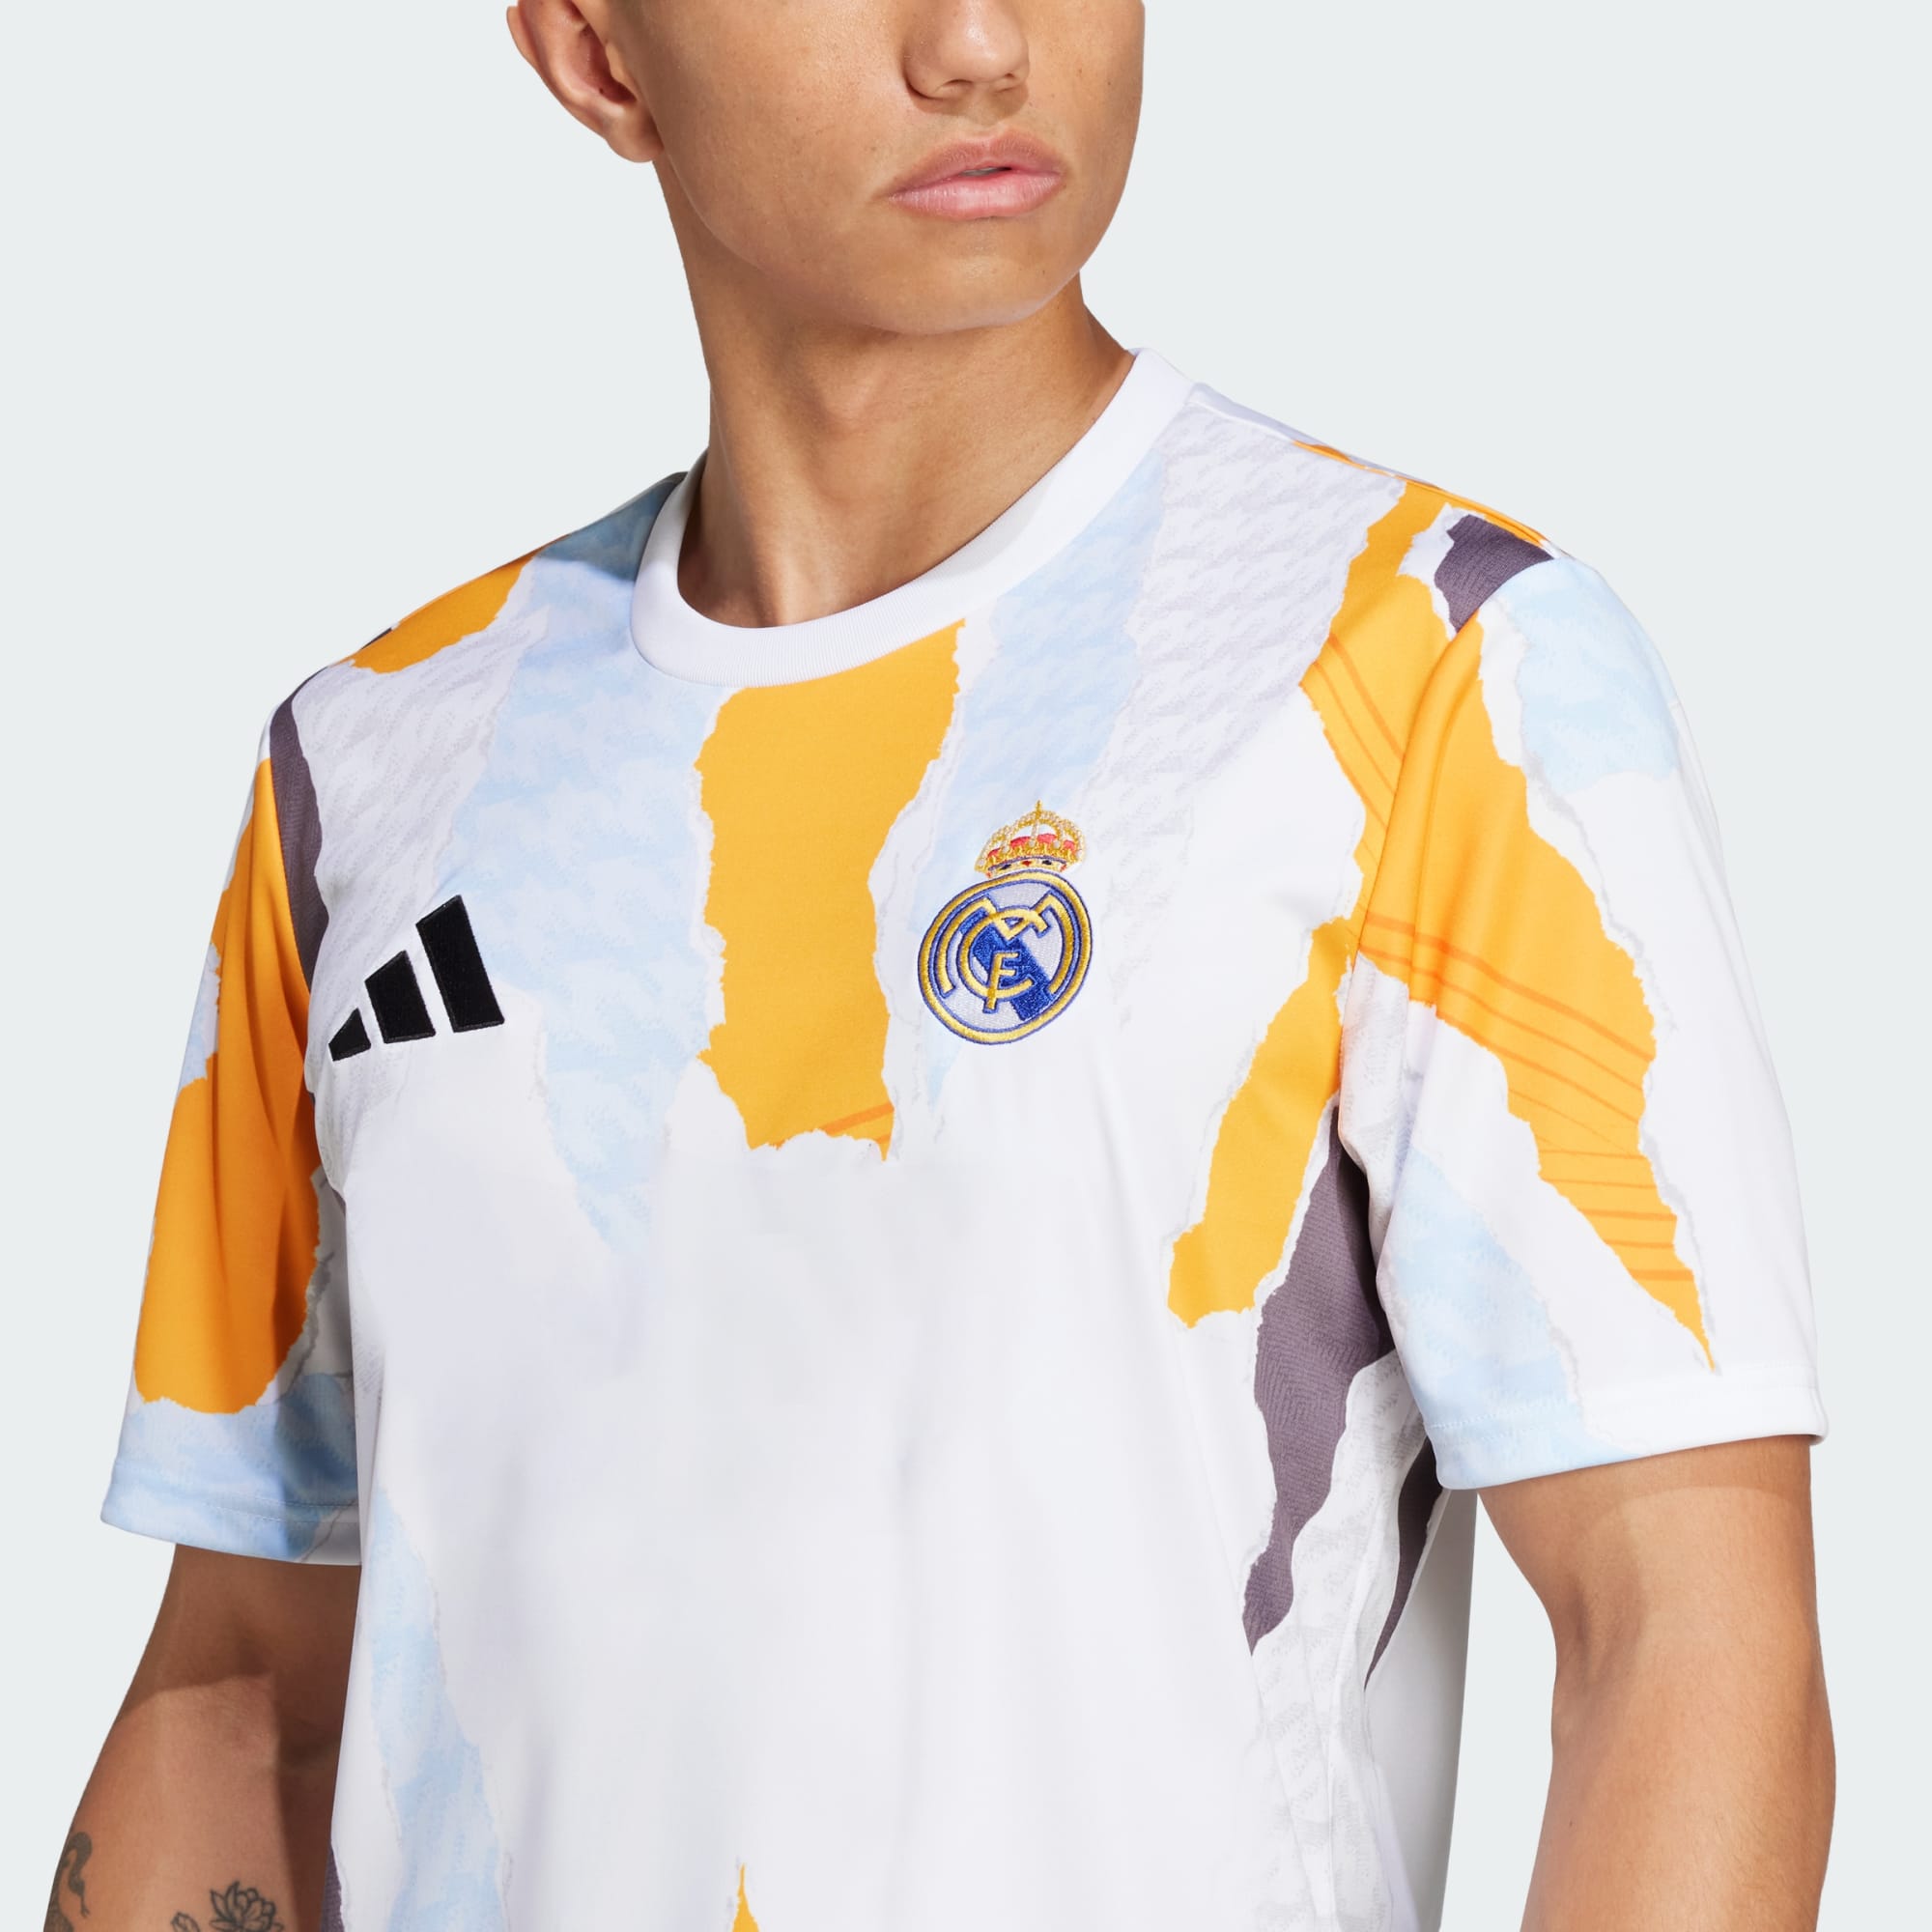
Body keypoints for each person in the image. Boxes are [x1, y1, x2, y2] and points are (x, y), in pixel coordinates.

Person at [46, 3, 1833, 1928]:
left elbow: (1683, 1639)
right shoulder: (375, 770)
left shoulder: (1429, 663)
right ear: (596, 57)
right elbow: (246, 1691)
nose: (981, 45)